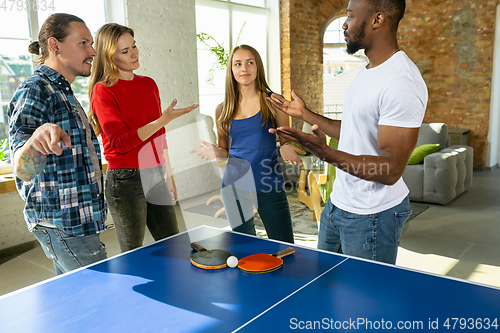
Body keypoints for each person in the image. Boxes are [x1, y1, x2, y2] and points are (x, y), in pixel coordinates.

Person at [268, 0, 427, 264]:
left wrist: (325, 152)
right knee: (326, 289)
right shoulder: (366, 71)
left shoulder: (402, 81)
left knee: (365, 302)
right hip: (338, 204)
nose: (344, 24)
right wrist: (305, 114)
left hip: (373, 215)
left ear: (377, 20)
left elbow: (390, 170)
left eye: (351, 17)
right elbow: (354, 131)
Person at [8, 13, 107, 274]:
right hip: (64, 224)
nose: (93, 52)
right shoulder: (36, 89)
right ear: (55, 45)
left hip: (78, 221)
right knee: (99, 300)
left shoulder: (64, 92)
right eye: (83, 43)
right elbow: (21, 169)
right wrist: (35, 143)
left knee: (75, 302)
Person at [88, 23, 198, 252]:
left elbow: (160, 136)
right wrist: (162, 120)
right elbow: (119, 142)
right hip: (125, 179)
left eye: (134, 46)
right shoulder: (103, 90)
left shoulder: (149, 85)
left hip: (155, 172)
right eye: (125, 51)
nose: (134, 53)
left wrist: (169, 176)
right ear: (109, 56)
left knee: (172, 244)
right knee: (133, 251)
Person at [192, 45, 304, 243]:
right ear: (232, 70)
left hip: (268, 184)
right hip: (234, 185)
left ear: (258, 67)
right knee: (244, 247)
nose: (244, 68)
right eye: (238, 64)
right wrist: (216, 152)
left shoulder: (273, 102)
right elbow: (225, 151)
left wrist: (286, 146)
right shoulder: (223, 109)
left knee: (284, 245)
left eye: (250, 62)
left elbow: (285, 139)